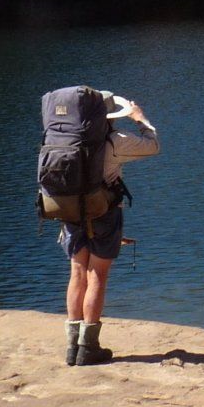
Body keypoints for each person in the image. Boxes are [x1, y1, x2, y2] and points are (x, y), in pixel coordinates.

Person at [50, 88, 158, 366]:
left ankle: (72, 347)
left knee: (77, 273)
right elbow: (153, 145)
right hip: (104, 213)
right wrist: (140, 118)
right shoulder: (115, 140)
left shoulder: (64, 138)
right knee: (97, 275)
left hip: (71, 212)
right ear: (110, 116)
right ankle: (89, 347)